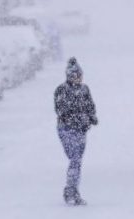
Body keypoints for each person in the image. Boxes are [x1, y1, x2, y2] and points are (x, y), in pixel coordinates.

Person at [54, 57, 98, 205]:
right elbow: (60, 110)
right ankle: (71, 189)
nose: (79, 78)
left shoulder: (85, 89)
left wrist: (92, 117)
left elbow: (90, 105)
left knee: (76, 160)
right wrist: (77, 118)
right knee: (74, 159)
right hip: (66, 130)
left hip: (81, 130)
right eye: (77, 76)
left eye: (81, 75)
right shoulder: (61, 90)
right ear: (70, 76)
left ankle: (72, 190)